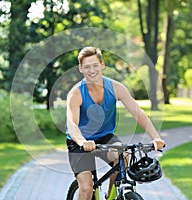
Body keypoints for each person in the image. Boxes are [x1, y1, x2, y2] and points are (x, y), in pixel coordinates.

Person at [66, 46, 165, 200]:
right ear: (80, 69)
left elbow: (138, 113)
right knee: (86, 188)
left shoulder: (116, 88)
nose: (92, 70)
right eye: (87, 67)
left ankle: (110, 197)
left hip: (105, 136)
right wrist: (82, 141)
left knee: (123, 157)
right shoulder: (76, 93)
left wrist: (156, 137)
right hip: (80, 141)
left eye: (95, 65)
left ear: (102, 65)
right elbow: (72, 123)